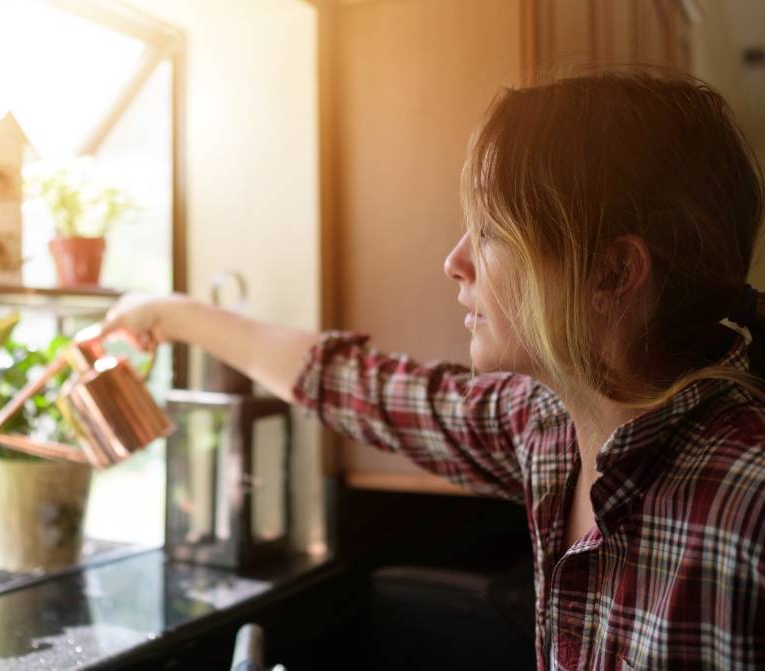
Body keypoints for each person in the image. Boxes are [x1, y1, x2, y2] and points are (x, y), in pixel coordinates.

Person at [96, 71, 765, 669]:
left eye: (493, 231)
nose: (455, 260)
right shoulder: (547, 425)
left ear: (614, 272)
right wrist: (169, 311)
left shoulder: (747, 498)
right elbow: (363, 385)